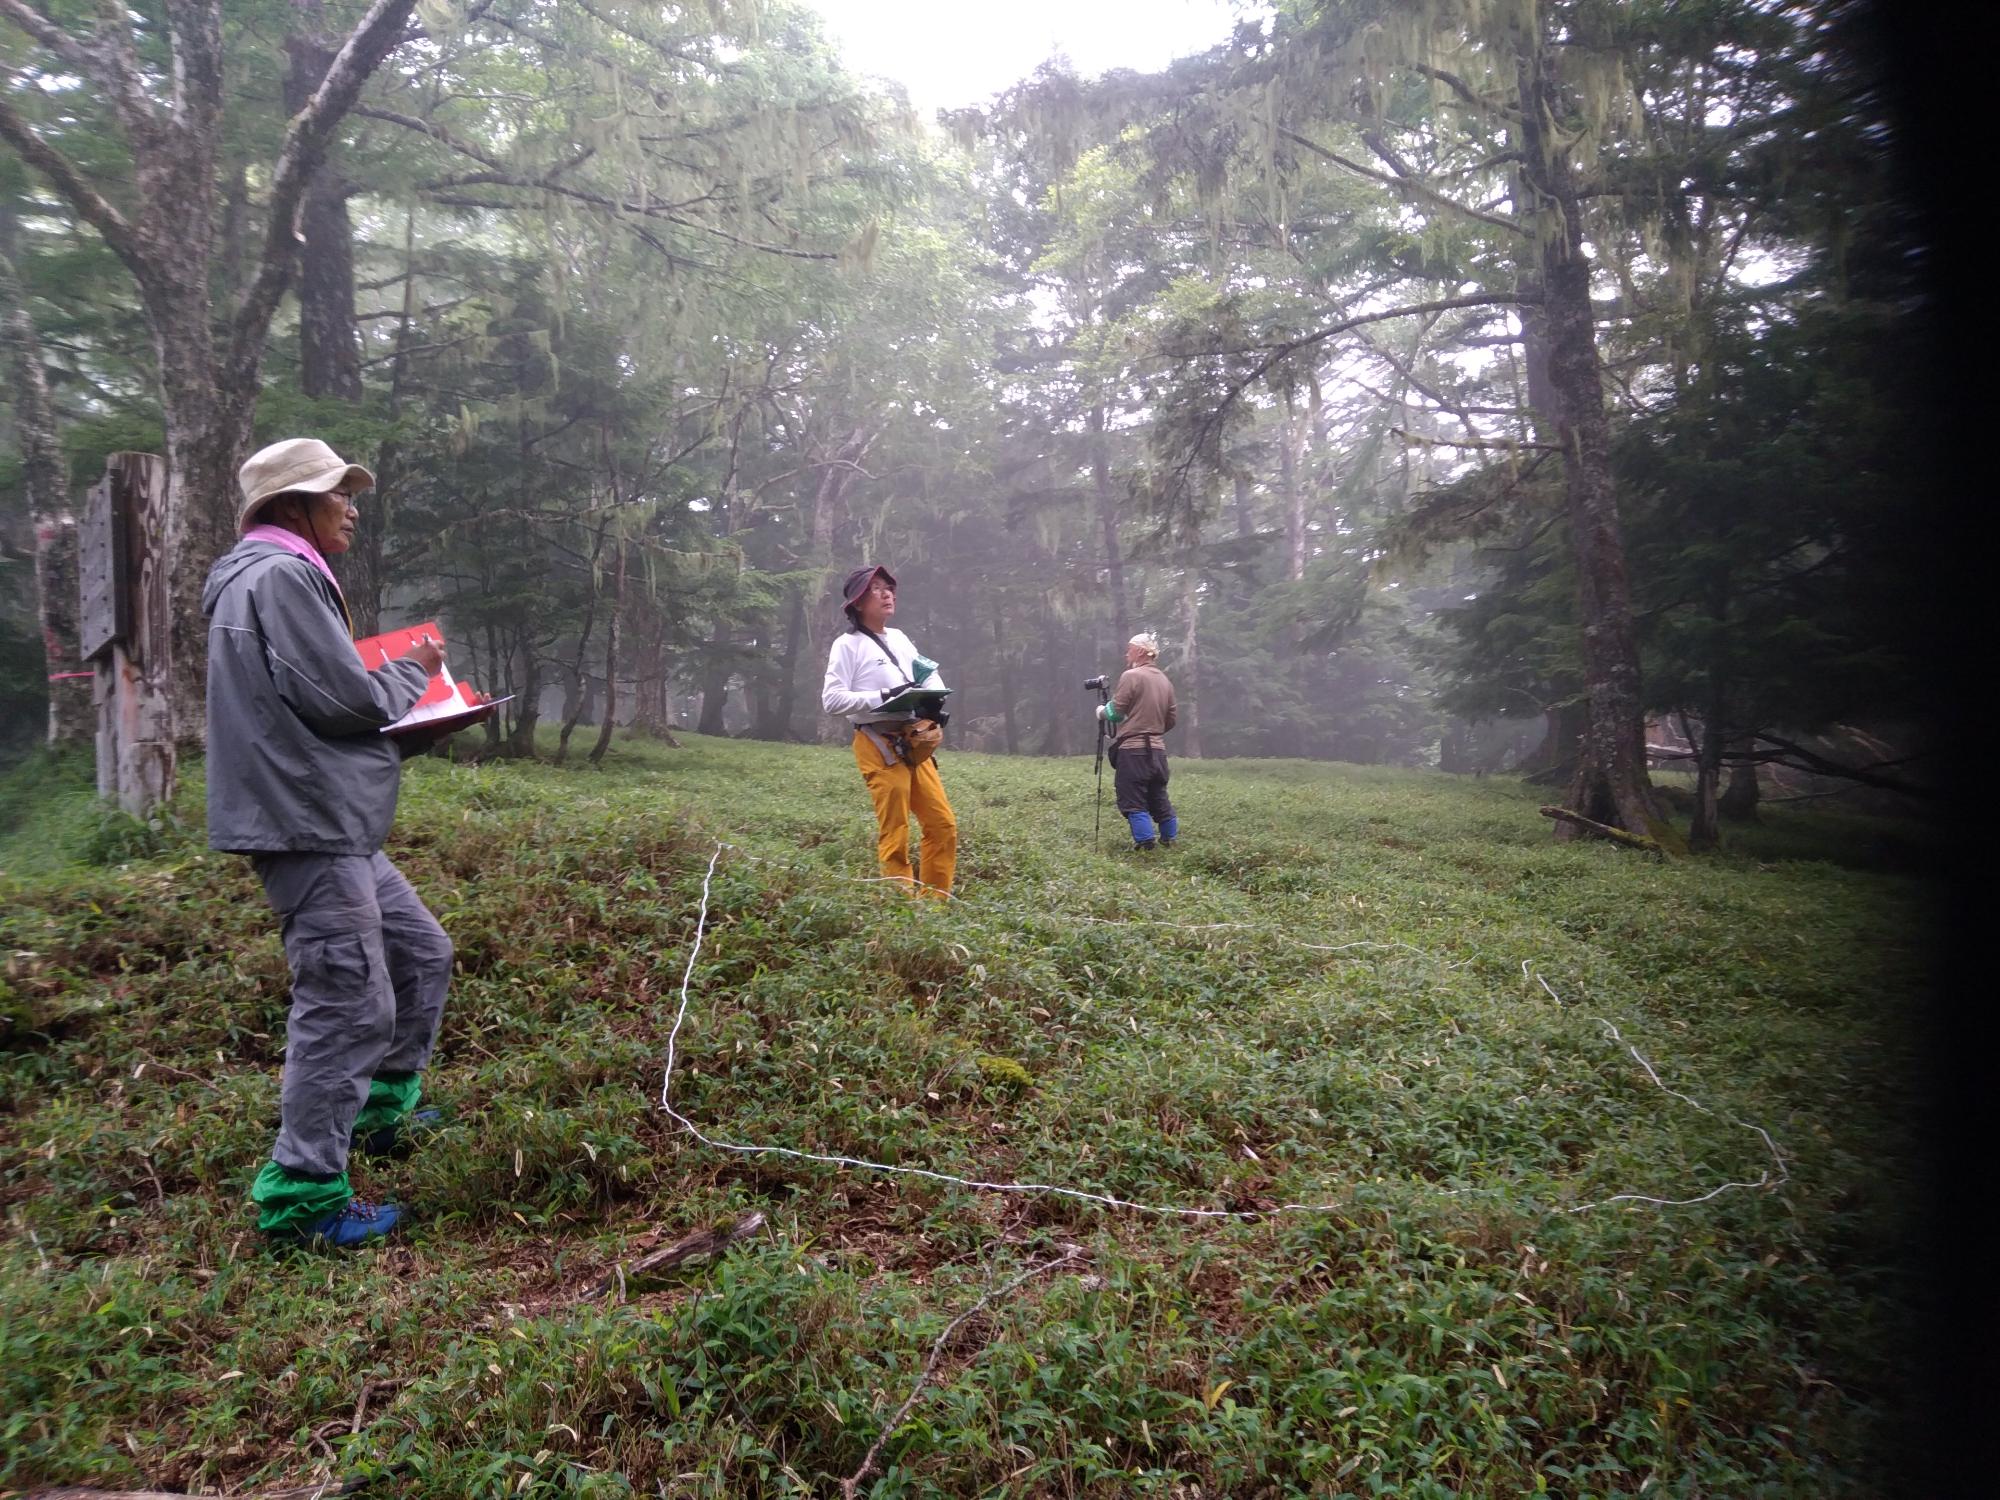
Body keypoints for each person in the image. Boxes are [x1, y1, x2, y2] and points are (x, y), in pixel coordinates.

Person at [203, 437, 456, 1249]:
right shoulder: (278, 576)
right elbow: (340, 699)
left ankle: (383, 1115)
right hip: (305, 824)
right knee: (347, 999)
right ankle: (304, 1196)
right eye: (335, 493)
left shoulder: (274, 575)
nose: (350, 506)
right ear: (291, 508)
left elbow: (313, 711)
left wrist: (410, 719)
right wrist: (416, 673)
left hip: (328, 818)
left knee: (421, 952)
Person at [821, 564, 958, 897]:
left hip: (915, 742)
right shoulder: (847, 645)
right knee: (895, 830)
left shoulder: (898, 638)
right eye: (876, 589)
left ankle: (935, 905)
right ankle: (901, 909)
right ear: (857, 602)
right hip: (877, 742)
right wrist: (884, 697)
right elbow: (832, 700)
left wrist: (931, 696)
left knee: (943, 825)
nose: (887, 594)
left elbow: (926, 672)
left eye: (889, 588)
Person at [1098, 631, 1180, 851]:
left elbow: (1115, 712)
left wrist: (1101, 712)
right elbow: (1171, 719)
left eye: (1130, 649)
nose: (1127, 654)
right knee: (1158, 795)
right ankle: (1169, 839)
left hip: (1133, 752)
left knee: (1132, 797)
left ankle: (1145, 844)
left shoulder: (1131, 676)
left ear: (1141, 651)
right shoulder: (1165, 680)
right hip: (1158, 750)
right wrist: (1153, 729)